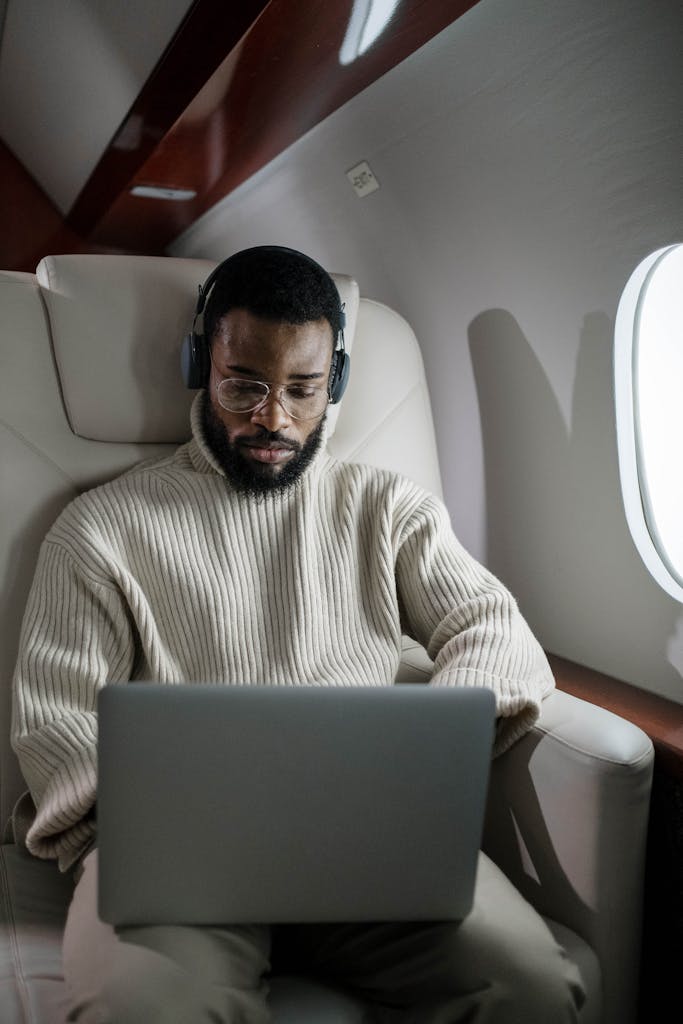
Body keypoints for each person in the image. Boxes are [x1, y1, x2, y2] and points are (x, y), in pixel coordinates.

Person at [11, 246, 585, 1023]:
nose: (272, 418)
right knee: (141, 1009)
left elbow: (490, 626)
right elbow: (55, 725)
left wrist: (416, 756)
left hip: (370, 839)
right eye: (243, 386)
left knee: (532, 989)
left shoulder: (388, 509)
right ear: (197, 364)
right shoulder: (99, 531)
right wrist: (153, 810)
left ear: (335, 384)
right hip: (179, 864)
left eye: (302, 390)